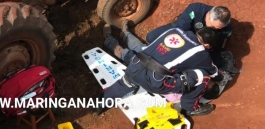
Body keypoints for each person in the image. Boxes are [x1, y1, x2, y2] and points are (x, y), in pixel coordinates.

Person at [95, 26, 223, 117]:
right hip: (155, 81)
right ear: (207, 46)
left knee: (125, 83)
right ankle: (191, 107)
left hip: (135, 65)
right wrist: (221, 77)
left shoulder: (175, 30)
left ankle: (100, 104)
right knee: (203, 76)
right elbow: (214, 73)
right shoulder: (201, 53)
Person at [146, 3, 232, 68]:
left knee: (216, 62)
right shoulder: (195, 9)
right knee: (151, 37)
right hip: (184, 34)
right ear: (208, 15)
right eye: (213, 27)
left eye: (218, 29)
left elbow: (217, 48)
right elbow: (179, 29)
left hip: (201, 45)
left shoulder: (226, 30)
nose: (215, 30)